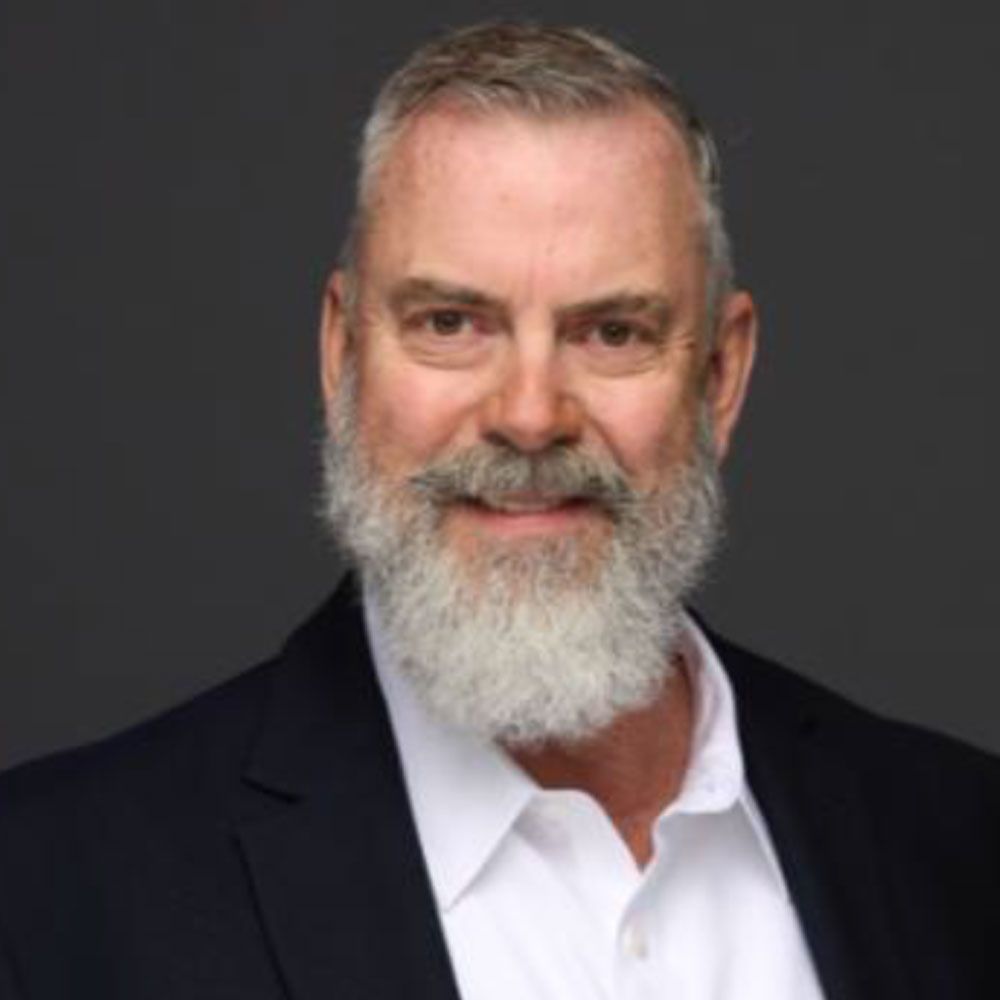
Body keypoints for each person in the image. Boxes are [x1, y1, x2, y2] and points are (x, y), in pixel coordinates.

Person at [0, 21, 996, 1000]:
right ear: (342, 354)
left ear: (720, 376)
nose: (528, 417)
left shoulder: (956, 841)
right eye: (450, 323)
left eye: (611, 331)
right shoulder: (49, 894)